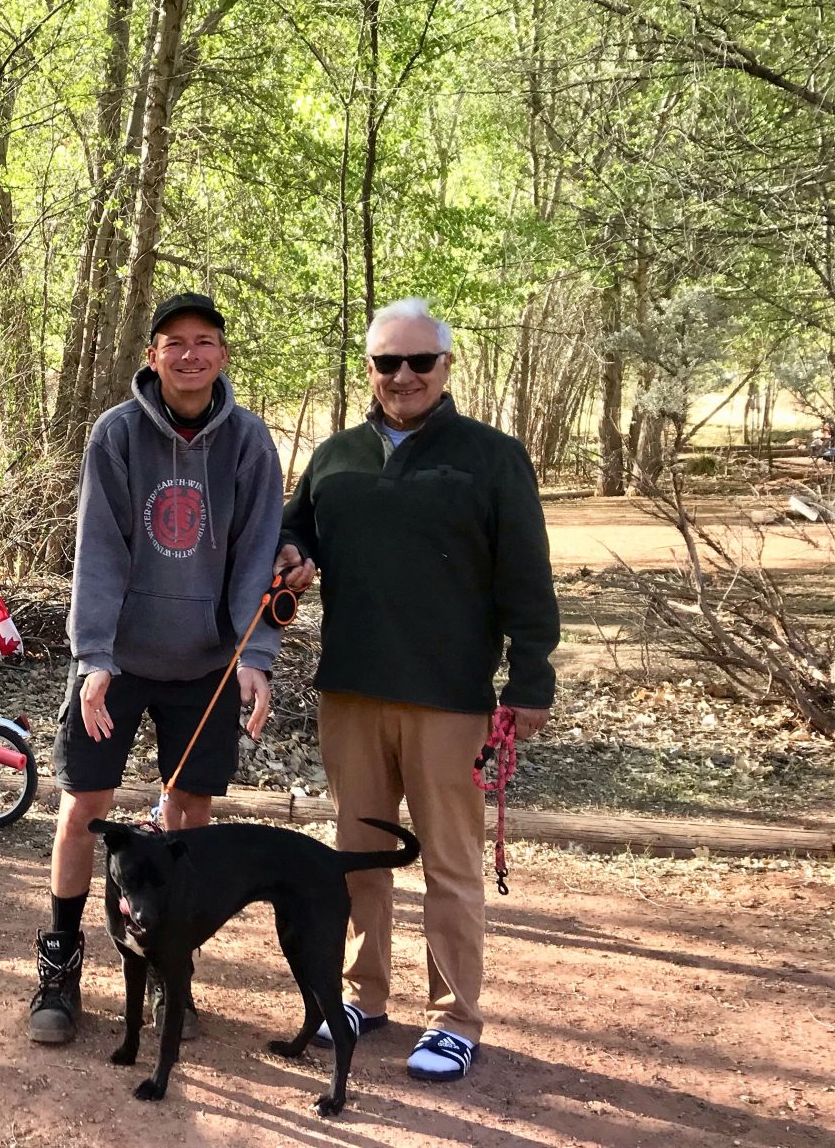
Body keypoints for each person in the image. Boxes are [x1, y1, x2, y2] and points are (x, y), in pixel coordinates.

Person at [276, 296, 559, 1083]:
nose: (402, 376)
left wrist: (531, 676)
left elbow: (527, 580)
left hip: (451, 698)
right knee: (359, 856)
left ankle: (454, 1017)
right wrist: (293, 550)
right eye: (385, 362)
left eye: (418, 362)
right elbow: (297, 530)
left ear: (445, 366)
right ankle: (362, 995)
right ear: (368, 369)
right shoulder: (336, 455)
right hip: (353, 692)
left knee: (450, 862)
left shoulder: (493, 458)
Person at [28, 292, 286, 1044]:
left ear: (223, 356)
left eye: (205, 341)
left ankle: (175, 968)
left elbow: (254, 556)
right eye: (175, 342)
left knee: (189, 819)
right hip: (120, 658)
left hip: (205, 663)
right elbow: (99, 552)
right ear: (153, 356)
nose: (191, 354)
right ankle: (61, 963)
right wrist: (95, 658)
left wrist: (254, 657)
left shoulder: (248, 442)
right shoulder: (115, 434)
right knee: (83, 806)